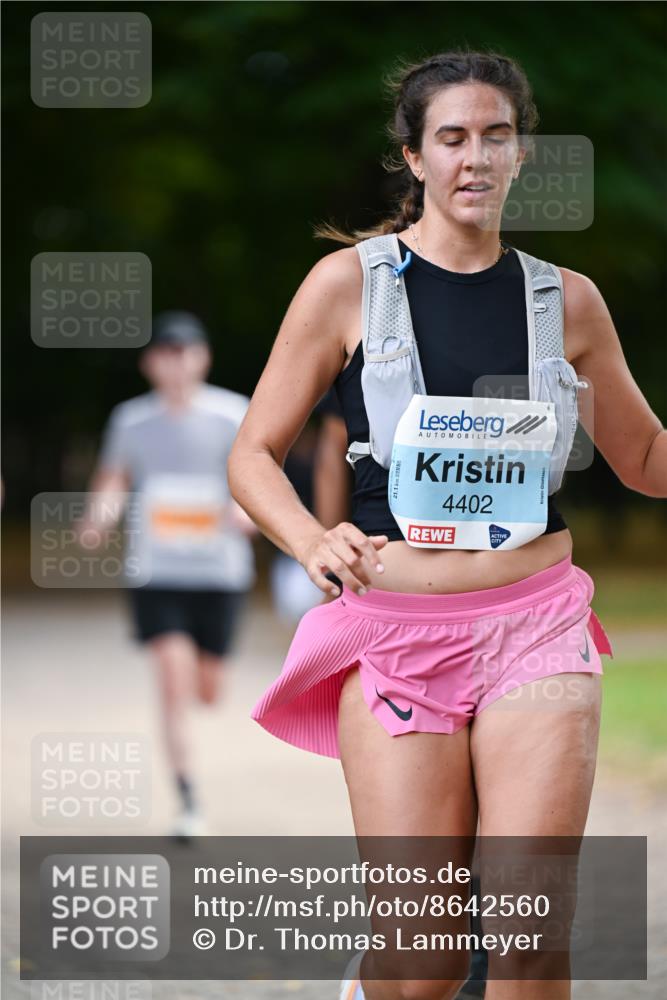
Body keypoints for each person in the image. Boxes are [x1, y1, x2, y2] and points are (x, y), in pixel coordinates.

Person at [228, 51, 666, 1000]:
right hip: (395, 640)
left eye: (496, 136)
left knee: (525, 941)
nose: (475, 157)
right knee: (422, 962)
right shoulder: (347, 286)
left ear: (521, 154)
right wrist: (310, 539)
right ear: (414, 158)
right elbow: (252, 455)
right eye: (452, 138)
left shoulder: (566, 300)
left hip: (534, 631)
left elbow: (644, 460)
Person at [82, 311, 257, 839]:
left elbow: (256, 477)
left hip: (220, 573)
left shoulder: (233, 414)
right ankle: (188, 798)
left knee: (208, 689)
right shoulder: (131, 420)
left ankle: (202, 696)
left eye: (185, 352)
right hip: (156, 571)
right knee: (171, 678)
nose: (176, 363)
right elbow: (114, 478)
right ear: (149, 363)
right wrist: (100, 515)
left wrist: (248, 512)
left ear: (203, 357)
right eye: (165, 353)